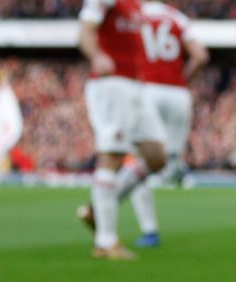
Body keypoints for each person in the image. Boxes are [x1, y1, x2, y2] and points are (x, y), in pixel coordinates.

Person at [77, 0, 170, 260]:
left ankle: (99, 209)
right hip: (111, 84)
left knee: (157, 156)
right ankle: (105, 242)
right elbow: (85, 30)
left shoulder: (136, 5)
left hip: (135, 86)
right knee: (112, 156)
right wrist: (96, 55)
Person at [128, 0, 210, 249]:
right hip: (178, 95)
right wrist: (181, 80)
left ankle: (149, 229)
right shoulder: (177, 18)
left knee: (139, 160)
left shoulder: (135, 14)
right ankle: (176, 169)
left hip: (147, 90)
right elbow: (201, 56)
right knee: (171, 159)